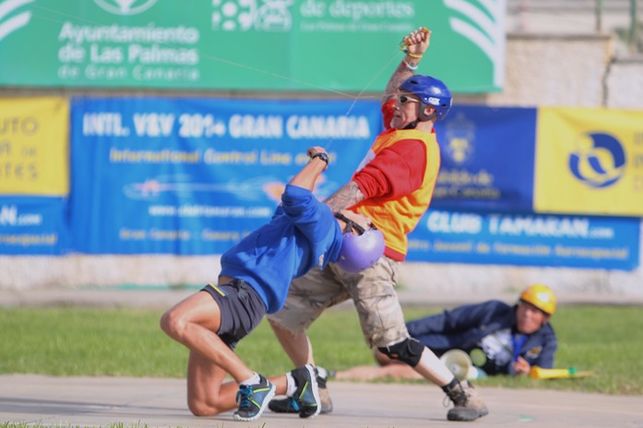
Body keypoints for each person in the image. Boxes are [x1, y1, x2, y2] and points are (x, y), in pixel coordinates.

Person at [267, 27, 488, 422]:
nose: (397, 104)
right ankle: (313, 389)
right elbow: (391, 93)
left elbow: (357, 190)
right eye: (402, 99)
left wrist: (306, 213)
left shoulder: (412, 152)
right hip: (344, 243)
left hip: (373, 256)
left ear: (429, 112)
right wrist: (412, 61)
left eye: (408, 101)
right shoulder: (399, 129)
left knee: (392, 344)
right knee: (283, 311)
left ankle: (463, 394)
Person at [159, 146, 383, 422]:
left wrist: (320, 161)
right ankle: (294, 383)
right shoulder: (318, 234)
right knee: (204, 403)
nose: (366, 215)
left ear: (355, 233)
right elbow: (290, 205)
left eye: (370, 224)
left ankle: (252, 381)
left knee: (175, 321)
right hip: (246, 301)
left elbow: (296, 194)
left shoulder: (327, 225)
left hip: (241, 293)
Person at [336, 284, 558, 381]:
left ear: (545, 318)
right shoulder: (495, 311)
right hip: (448, 347)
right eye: (526, 307)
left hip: (467, 371)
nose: (528, 315)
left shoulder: (545, 340)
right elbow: (449, 320)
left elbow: (544, 371)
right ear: (518, 305)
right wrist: (403, 331)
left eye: (536, 312)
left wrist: (525, 371)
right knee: (385, 351)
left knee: (399, 372)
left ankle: (340, 376)